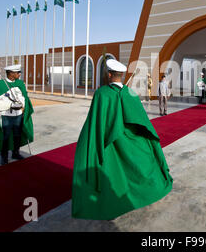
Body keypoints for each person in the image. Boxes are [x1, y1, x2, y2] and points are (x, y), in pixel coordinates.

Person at [72, 59, 173, 220]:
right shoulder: (131, 93)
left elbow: (96, 122)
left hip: (111, 142)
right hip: (130, 141)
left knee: (113, 169)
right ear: (121, 75)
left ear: (109, 74)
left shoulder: (101, 94)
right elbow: (142, 121)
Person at [0, 64, 34, 165]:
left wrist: (23, 106)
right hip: (7, 116)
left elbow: (25, 97)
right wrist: (7, 104)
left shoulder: (20, 83)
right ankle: (4, 156)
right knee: (6, 136)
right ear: (11, 73)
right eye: (17, 73)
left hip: (18, 114)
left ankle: (15, 153)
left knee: (17, 135)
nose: (19, 74)